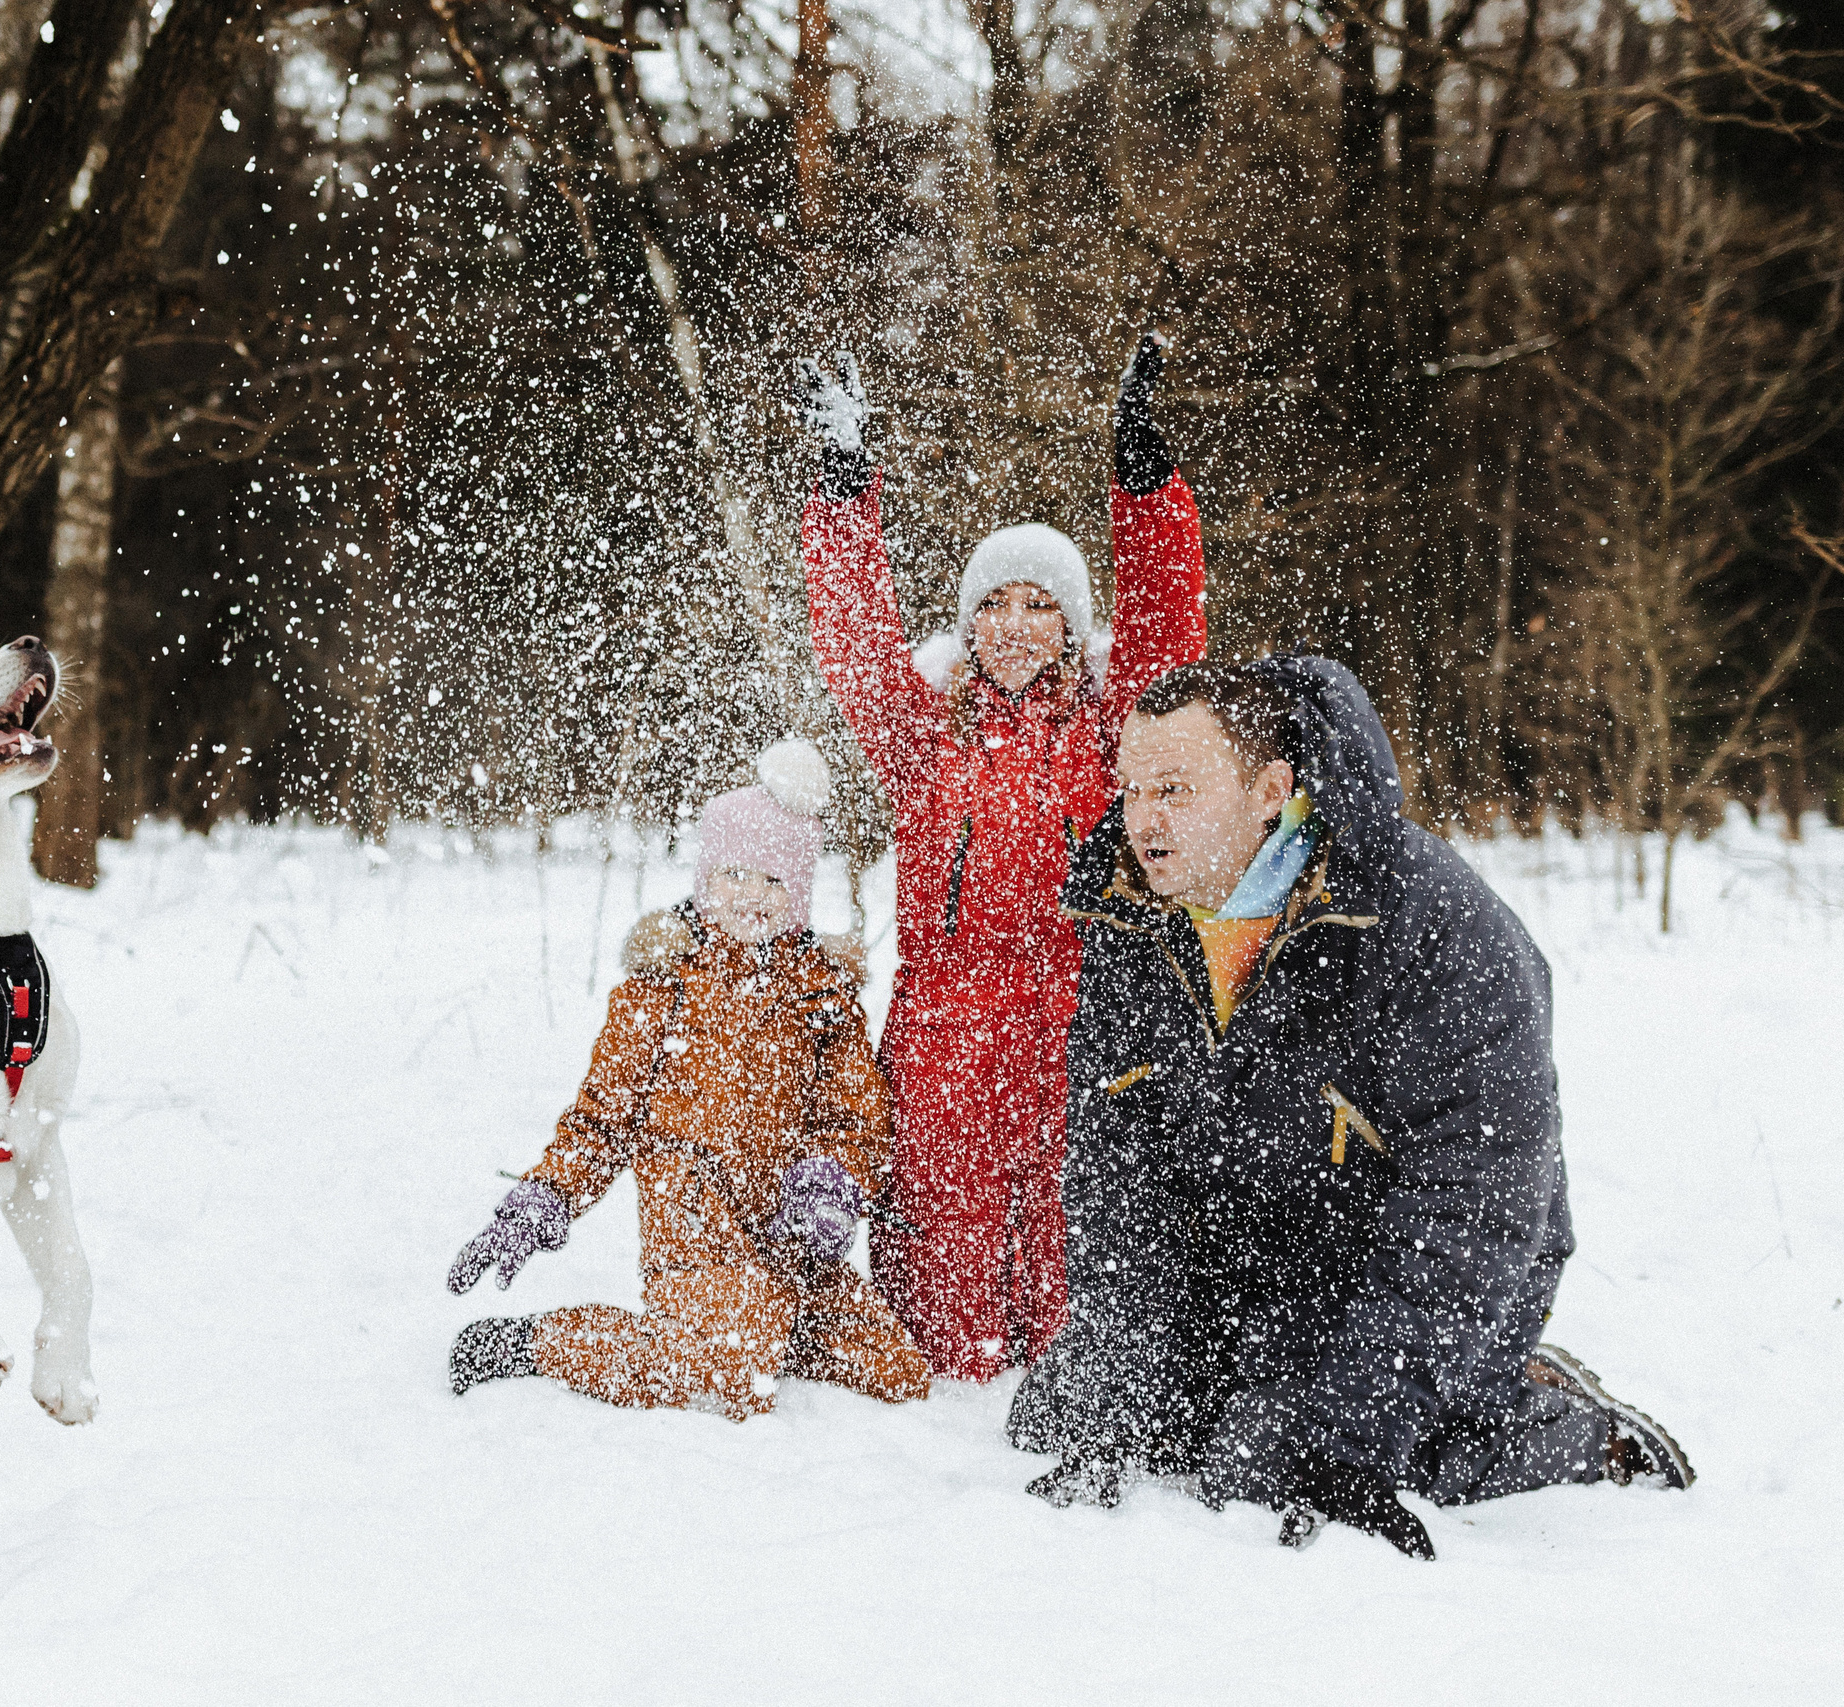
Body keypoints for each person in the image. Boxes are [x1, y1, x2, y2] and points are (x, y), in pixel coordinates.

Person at [1006, 656, 1695, 1557]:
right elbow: (1116, 1172)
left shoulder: (1430, 925)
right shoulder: (1136, 920)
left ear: (1270, 790)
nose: (1144, 821)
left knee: (1269, 1466)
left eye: (1174, 787)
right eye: (1133, 789)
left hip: (1426, 1264)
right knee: (1067, 1411)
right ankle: (1289, 1395)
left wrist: (1353, 1435)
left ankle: (1563, 1425)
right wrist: (1124, 1371)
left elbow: (1478, 1204)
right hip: (1257, 1252)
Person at [790, 337, 1207, 1381]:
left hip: (1081, 1014)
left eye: (1039, 605)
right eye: (994, 605)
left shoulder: (1116, 729)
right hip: (944, 1027)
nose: (1015, 625)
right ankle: (948, 1415)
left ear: (1070, 627)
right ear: (968, 625)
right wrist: (845, 494)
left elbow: (1165, 625)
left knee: (1077, 1242)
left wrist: (1144, 488)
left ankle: (1065, 1388)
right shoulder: (920, 731)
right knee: (943, 1259)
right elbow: (852, 639)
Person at [444, 740, 930, 1419]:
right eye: (736, 874)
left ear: (800, 890)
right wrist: (546, 1196)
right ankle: (538, 1343)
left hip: (785, 1229)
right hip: (693, 1224)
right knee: (733, 1375)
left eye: (774, 880)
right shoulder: (663, 987)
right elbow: (601, 1118)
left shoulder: (823, 995)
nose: (752, 897)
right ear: (708, 877)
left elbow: (855, 1117)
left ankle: (758, 1321)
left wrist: (832, 1176)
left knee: (897, 1369)